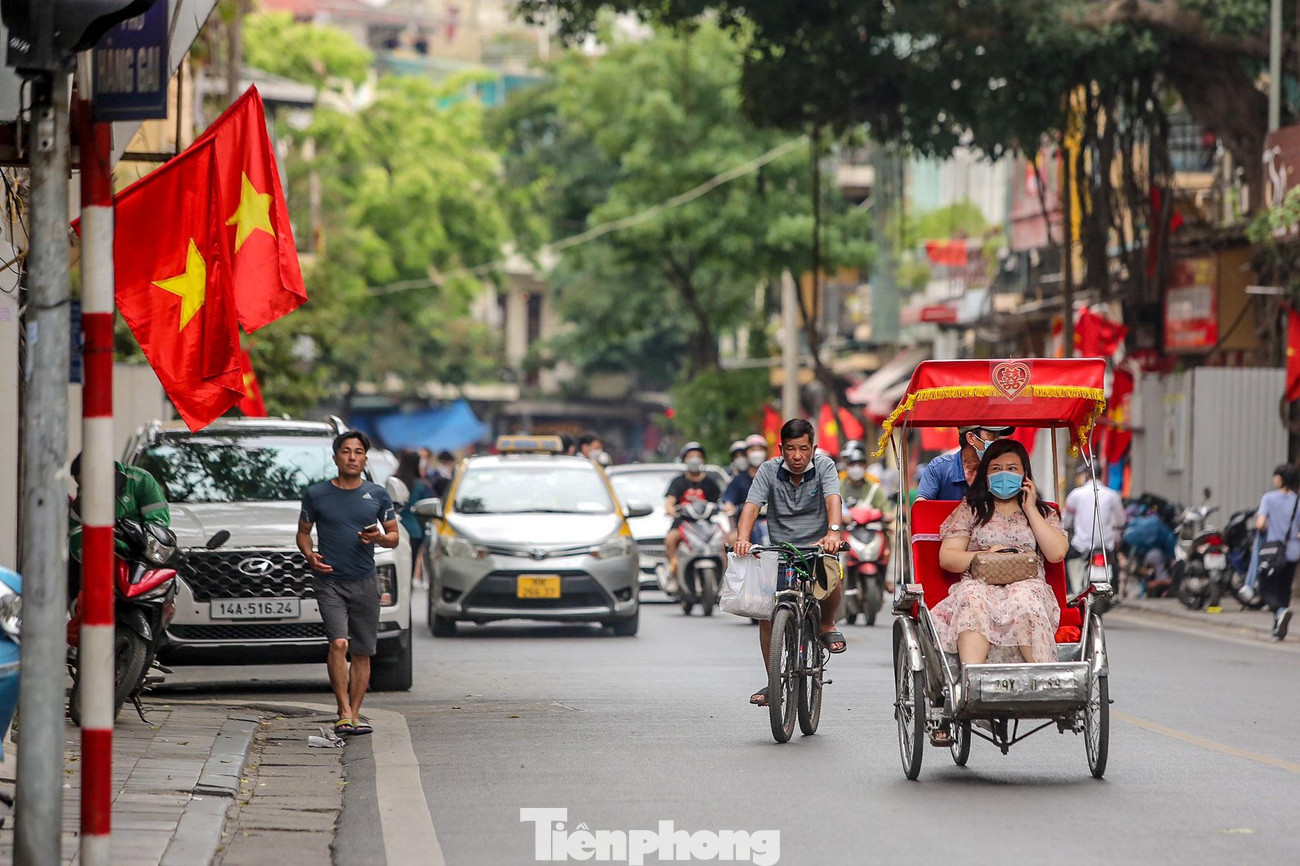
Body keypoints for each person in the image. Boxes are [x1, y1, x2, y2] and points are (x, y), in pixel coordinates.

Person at [932, 439, 1068, 740]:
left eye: (1012, 468)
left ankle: (1043, 685)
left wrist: (1031, 508)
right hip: (980, 583)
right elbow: (948, 557)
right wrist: (985, 556)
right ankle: (971, 688)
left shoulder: (1041, 512)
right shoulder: (971, 508)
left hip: (1027, 584)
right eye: (996, 468)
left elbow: (1056, 552)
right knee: (972, 601)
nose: (1004, 474)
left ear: (1025, 475)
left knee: (1025, 602)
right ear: (985, 473)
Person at [735, 419, 846, 707]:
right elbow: (751, 506)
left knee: (831, 572)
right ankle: (774, 682)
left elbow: (833, 499)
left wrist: (833, 534)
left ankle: (826, 624)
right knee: (765, 614)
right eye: (791, 449)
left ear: (814, 449)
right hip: (779, 549)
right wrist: (743, 539)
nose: (797, 456)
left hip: (816, 547)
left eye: (804, 449)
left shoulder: (825, 467)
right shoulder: (769, 470)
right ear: (781, 448)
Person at [297, 431, 399, 737]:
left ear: (365, 459)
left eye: (358, 452)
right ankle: (342, 711)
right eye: (346, 451)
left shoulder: (378, 495)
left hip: (366, 581)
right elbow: (303, 532)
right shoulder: (316, 495)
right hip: (329, 581)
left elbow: (393, 536)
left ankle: (355, 714)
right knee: (339, 643)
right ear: (335, 458)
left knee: (363, 652)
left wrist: (379, 537)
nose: (352, 457)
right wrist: (309, 554)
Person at [68, 454, 172, 598]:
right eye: (82, 486)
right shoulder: (83, 498)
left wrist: (131, 542)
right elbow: (76, 531)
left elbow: (158, 523)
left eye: (90, 483)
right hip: (105, 561)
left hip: (143, 556)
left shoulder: (141, 480)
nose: (87, 490)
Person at [663, 442, 722, 582]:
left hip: (706, 525)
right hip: (683, 523)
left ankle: (725, 575)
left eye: (698, 456)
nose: (694, 459)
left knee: (725, 541)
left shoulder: (711, 483)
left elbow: (720, 502)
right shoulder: (677, 482)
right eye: (690, 456)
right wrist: (671, 509)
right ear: (684, 460)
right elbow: (670, 501)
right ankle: (673, 571)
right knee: (671, 539)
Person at [1063, 464, 1127, 593]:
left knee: (1061, 559)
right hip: (1106, 546)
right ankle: (1115, 591)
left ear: (1086, 475)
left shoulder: (1076, 495)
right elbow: (1121, 520)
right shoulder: (1111, 495)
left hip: (1081, 546)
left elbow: (1065, 522)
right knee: (1115, 563)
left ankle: (1068, 591)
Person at [1255, 464, 1300, 641]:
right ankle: (1277, 629)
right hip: (1293, 551)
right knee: (1284, 590)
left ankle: (1280, 611)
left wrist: (1268, 528)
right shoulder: (1298, 501)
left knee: (1266, 588)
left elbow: (1260, 524)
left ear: (1280, 479)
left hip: (1273, 552)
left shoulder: (1269, 499)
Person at [915, 426, 1014, 501]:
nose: (996, 442)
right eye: (991, 436)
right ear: (971, 438)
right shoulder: (940, 467)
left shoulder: (999, 471)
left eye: (997, 437)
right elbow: (921, 507)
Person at [392, 450, 433, 588]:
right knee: (409, 567)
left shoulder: (393, 482)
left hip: (394, 529)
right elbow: (426, 510)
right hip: (415, 532)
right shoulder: (421, 485)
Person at [722, 435, 768, 543]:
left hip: (773, 524)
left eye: (760, 449)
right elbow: (728, 501)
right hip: (745, 525)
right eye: (753, 450)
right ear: (746, 453)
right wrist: (730, 507)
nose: (756, 453)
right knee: (732, 539)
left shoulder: (773, 477)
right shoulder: (738, 479)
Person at [840, 445, 891, 516]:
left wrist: (878, 514)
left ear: (865, 466)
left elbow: (887, 511)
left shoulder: (874, 488)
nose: (856, 468)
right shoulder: (837, 488)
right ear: (846, 466)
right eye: (852, 464)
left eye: (860, 465)